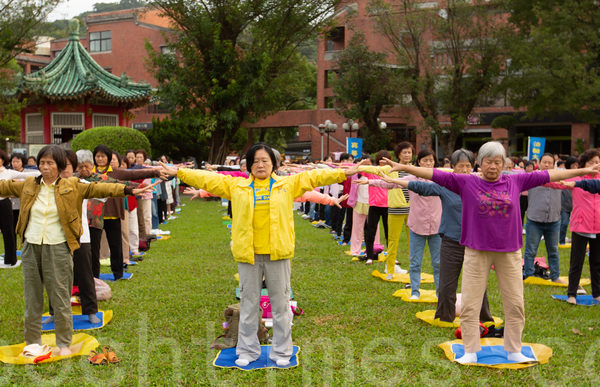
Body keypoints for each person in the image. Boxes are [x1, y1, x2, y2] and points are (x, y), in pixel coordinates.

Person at [381, 141, 599, 364]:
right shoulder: (467, 182)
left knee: (515, 303)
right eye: (488, 162)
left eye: (497, 162)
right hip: (476, 252)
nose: (493, 167)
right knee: (470, 304)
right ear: (479, 163)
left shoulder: (516, 179)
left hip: (509, 253)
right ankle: (470, 350)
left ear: (504, 163)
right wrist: (405, 167)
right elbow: (434, 174)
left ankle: (514, 349)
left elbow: (549, 175)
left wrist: (583, 170)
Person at [160, 143, 359, 367]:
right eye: (255, 161)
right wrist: (179, 172)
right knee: (248, 304)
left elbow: (314, 177)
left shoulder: (287, 184)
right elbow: (208, 178)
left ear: (273, 164)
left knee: (281, 305)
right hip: (249, 255)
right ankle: (247, 350)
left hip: (278, 254)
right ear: (249, 165)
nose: (260, 165)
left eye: (265, 160)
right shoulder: (237, 185)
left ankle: (282, 351)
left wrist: (344, 172)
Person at [0, 145, 147, 356]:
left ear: (60, 166)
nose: (45, 167)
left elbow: (100, 188)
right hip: (31, 247)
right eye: (42, 163)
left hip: (59, 247)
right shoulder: (29, 185)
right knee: (32, 297)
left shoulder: (73, 185)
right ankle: (32, 342)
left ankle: (63, 343)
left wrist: (130, 189)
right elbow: (3, 186)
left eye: (50, 163)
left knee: (60, 296)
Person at [378, 149, 495, 323]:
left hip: (474, 242)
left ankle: (484, 317)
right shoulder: (447, 184)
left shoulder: (480, 185)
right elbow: (423, 187)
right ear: (453, 167)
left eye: (468, 166)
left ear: (473, 167)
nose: (464, 170)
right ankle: (445, 316)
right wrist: (396, 181)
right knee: (447, 284)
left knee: (478, 283)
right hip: (450, 241)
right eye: (460, 166)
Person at [547, 149, 600, 304]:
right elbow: (556, 183)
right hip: (580, 225)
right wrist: (540, 177)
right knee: (576, 262)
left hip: (598, 226)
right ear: (584, 165)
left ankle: (597, 293)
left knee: (597, 262)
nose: (595, 165)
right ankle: (572, 294)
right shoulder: (576, 177)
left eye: (597, 162)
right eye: (591, 163)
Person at [523, 153, 564, 283]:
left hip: (554, 220)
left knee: (553, 250)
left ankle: (555, 276)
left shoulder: (560, 178)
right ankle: (528, 274)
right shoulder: (532, 178)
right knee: (531, 250)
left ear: (553, 165)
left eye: (550, 163)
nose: (547, 165)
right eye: (544, 162)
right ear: (539, 163)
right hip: (534, 220)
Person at [0, 150, 40, 267]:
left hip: (4, 203)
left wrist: (45, 172)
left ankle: (11, 259)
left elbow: (29, 175)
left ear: (3, 160)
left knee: (8, 232)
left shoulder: (8, 172)